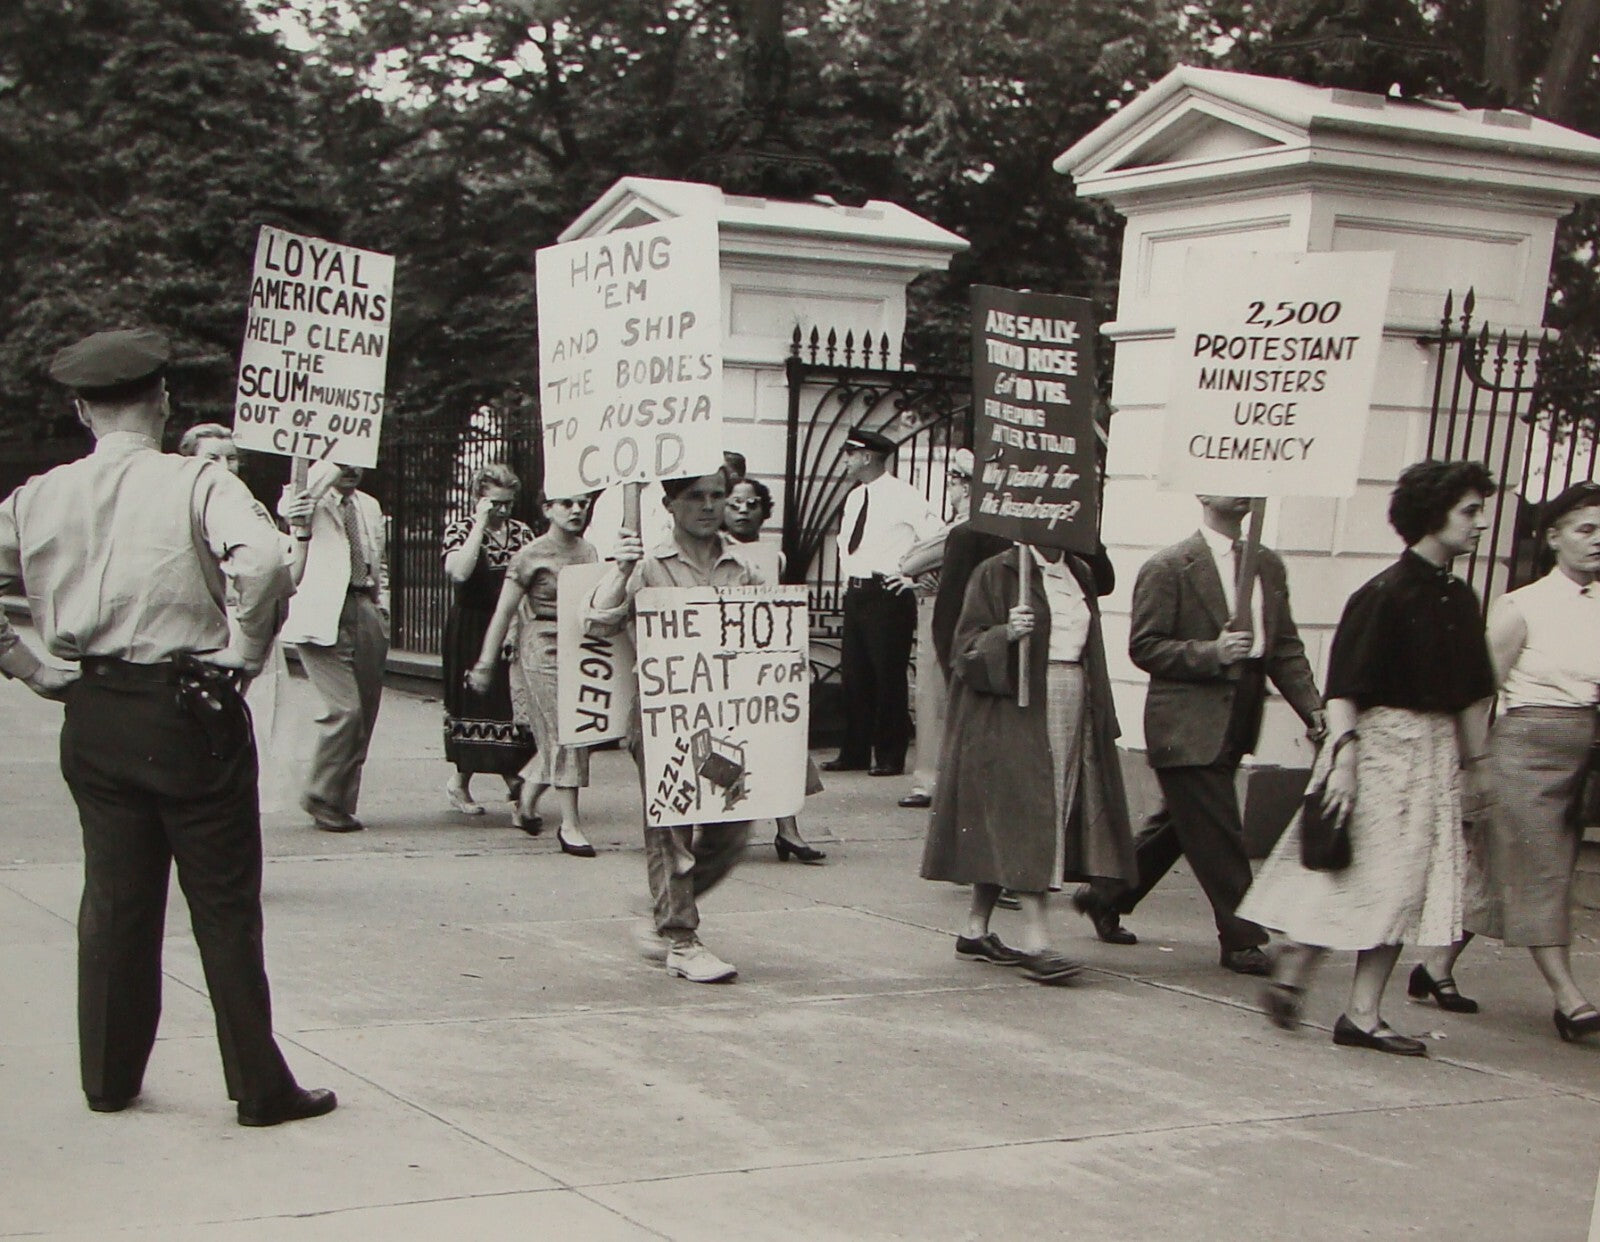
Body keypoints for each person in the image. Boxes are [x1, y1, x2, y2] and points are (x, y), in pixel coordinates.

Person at [0, 327, 334, 1125]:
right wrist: (245, 649)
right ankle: (259, 1085)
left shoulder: (36, 496)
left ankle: (109, 1078)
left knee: (114, 897)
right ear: (163, 401)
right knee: (221, 901)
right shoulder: (200, 481)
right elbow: (261, 561)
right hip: (189, 702)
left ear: (84, 410)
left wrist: (33, 665)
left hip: (95, 706)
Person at [1242, 461, 1497, 1057]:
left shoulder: (1460, 597)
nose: (1481, 523)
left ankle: (1349, 1000)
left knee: (1408, 886)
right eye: (1470, 511)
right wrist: (1345, 761)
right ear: (1433, 516)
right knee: (1360, 873)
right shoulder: (1381, 594)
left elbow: (1468, 694)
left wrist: (1477, 765)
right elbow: (1344, 691)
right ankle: (1310, 961)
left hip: (1433, 758)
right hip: (1380, 749)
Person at [1074, 495, 1325, 974]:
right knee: (1218, 827)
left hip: (1239, 716)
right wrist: (1213, 653)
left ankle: (1106, 893)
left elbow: (1284, 647)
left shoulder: (1267, 565)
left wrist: (1313, 709)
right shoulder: (1169, 566)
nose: (1239, 489)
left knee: (1186, 822)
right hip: (1185, 721)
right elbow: (1145, 647)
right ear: (1203, 495)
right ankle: (1242, 936)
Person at [1410, 480, 1600, 1041]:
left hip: (1582, 753)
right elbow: (1477, 690)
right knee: (1542, 872)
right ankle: (1569, 997)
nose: (1598, 541)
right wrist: (1478, 762)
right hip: (1524, 753)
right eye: (1585, 530)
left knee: (1503, 871)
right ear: (1552, 538)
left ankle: (1434, 967)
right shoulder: (1522, 607)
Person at [921, 541, 1136, 984]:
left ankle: (976, 929)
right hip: (1014, 705)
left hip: (1070, 692)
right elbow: (963, 649)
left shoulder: (1080, 570)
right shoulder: (996, 570)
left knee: (1033, 810)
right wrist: (1005, 635)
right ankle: (1037, 940)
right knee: (1030, 810)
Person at [588, 468, 760, 983]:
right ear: (670, 504)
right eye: (694, 497)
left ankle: (662, 911)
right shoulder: (647, 566)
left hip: (723, 719)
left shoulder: (741, 567)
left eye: (717, 496)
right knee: (673, 826)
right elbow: (596, 622)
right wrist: (619, 571)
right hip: (664, 717)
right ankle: (682, 939)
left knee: (733, 825)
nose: (708, 506)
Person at [177, 425, 333, 815]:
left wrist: (301, 532)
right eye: (212, 458)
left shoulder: (252, 513)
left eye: (231, 458)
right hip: (201, 632)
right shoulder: (178, 510)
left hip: (249, 630)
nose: (225, 466)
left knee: (253, 733)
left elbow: (288, 576)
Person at [469, 492, 598, 853]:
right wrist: (485, 663)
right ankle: (570, 825)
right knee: (563, 730)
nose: (576, 510)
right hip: (542, 643)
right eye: (567, 503)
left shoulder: (589, 552)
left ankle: (526, 797)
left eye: (583, 504)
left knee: (574, 729)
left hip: (581, 644)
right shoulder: (530, 555)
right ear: (547, 509)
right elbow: (503, 611)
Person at [823, 426, 941, 777]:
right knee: (855, 677)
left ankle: (890, 755)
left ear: (866, 457)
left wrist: (912, 578)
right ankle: (854, 752)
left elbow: (936, 538)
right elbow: (848, 546)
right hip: (858, 594)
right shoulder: (856, 497)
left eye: (849, 454)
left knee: (888, 677)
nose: (845, 460)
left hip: (887, 595)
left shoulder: (904, 495)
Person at [722, 475, 827, 863]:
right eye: (734, 504)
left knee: (779, 741)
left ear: (764, 511)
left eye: (752, 504)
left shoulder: (775, 556)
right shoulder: (711, 551)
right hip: (720, 666)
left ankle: (788, 830)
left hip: (763, 664)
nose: (743, 511)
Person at [279, 461, 388, 832]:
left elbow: (377, 557)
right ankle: (321, 794)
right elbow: (294, 506)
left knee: (365, 711)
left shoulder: (368, 506)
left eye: (357, 462)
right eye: (342, 462)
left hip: (364, 605)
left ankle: (340, 802)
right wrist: (331, 463)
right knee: (345, 710)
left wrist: (379, 602)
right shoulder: (308, 498)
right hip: (324, 612)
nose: (350, 469)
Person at [441, 464, 537, 816]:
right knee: (474, 705)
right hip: (471, 624)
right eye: (495, 503)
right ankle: (461, 782)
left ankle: (513, 779)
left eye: (507, 503)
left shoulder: (522, 533)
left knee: (509, 706)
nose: (502, 510)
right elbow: (459, 572)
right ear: (479, 499)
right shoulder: (461, 530)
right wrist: (479, 524)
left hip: (511, 624)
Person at [896, 448, 974, 810]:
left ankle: (928, 779)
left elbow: (910, 559)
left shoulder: (960, 527)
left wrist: (923, 572)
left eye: (954, 481)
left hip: (940, 612)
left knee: (931, 695)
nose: (951, 488)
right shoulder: (958, 525)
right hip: (944, 606)